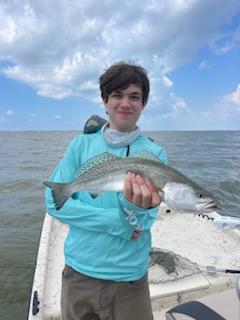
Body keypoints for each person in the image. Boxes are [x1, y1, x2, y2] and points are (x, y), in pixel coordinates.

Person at [45, 61, 168, 320]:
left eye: (134, 96)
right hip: (79, 271)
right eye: (117, 95)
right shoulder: (80, 144)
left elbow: (144, 221)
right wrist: (116, 222)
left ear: (143, 104)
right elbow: (54, 200)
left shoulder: (155, 155)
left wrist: (135, 210)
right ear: (105, 100)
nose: (125, 103)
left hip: (128, 278)